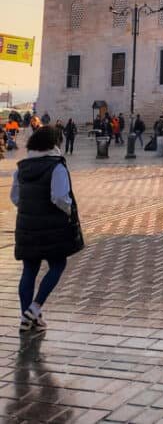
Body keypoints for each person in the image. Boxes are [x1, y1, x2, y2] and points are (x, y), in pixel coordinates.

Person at [10, 126, 83, 331]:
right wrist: (69, 211)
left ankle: (27, 318)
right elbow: (60, 197)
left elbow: (15, 198)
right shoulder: (56, 166)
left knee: (29, 270)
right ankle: (34, 308)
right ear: (54, 143)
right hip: (52, 227)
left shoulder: (21, 167)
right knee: (58, 265)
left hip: (27, 226)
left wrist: (31, 210)